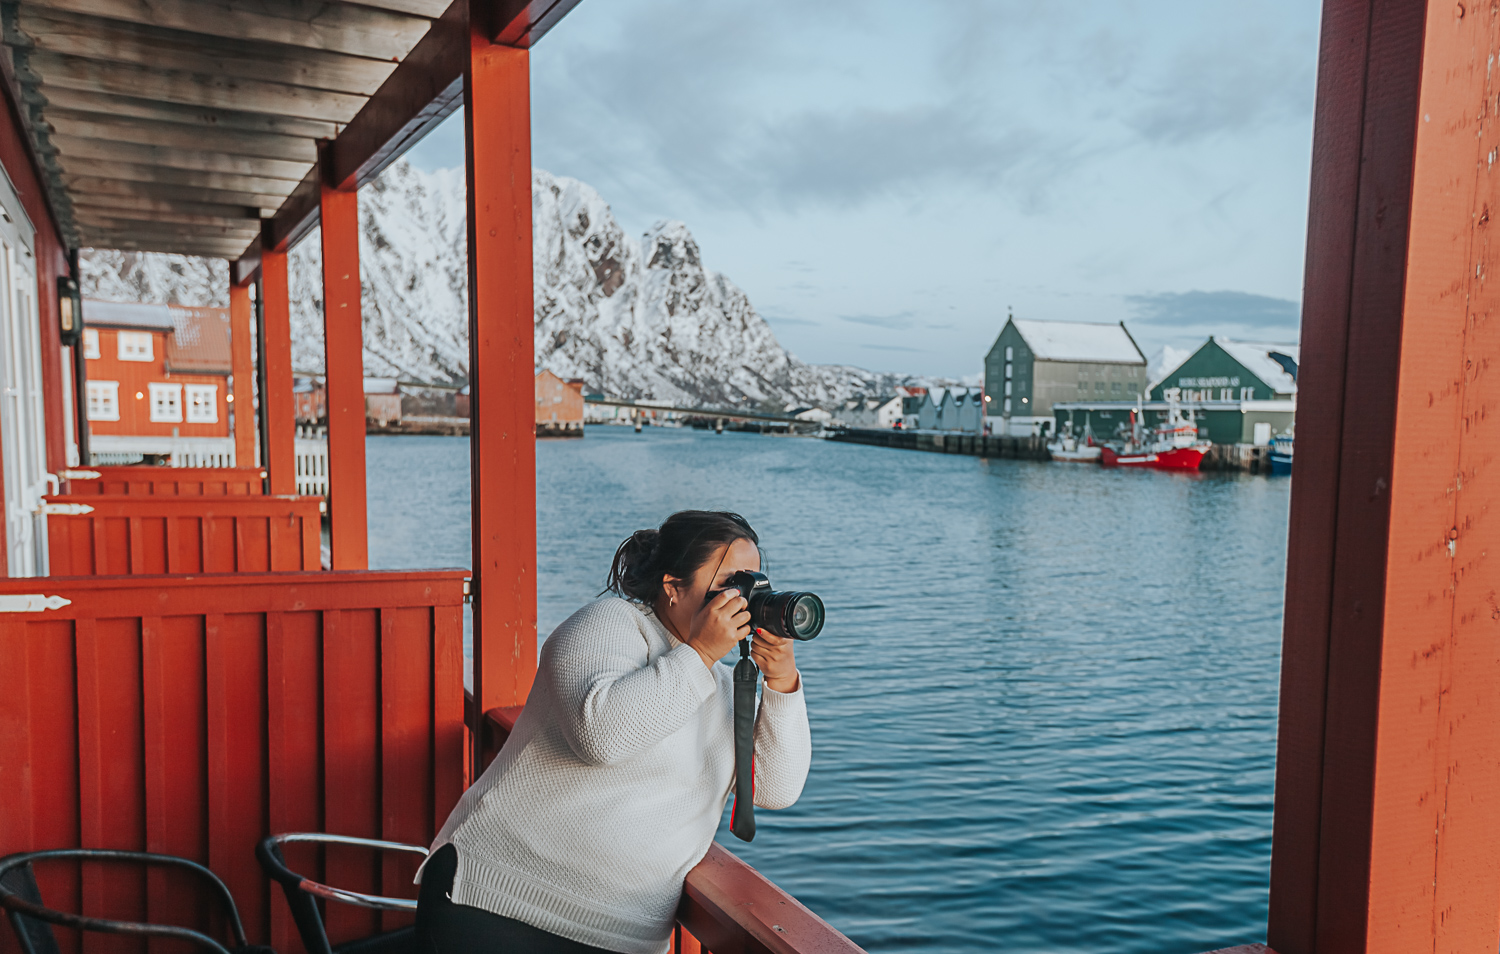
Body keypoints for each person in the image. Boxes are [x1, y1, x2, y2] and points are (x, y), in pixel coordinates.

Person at [415, 510, 812, 954]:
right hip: (499, 898)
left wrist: (782, 682)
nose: (744, 599)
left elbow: (775, 788)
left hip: (621, 937)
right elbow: (602, 736)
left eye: (754, 584)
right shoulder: (609, 624)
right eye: (731, 584)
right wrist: (700, 652)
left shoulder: (721, 686)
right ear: (673, 587)